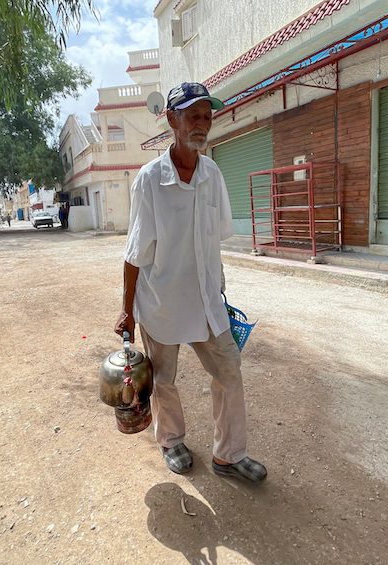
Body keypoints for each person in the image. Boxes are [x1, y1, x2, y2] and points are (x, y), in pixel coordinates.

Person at [114, 82, 266, 483]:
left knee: (229, 370)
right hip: (161, 303)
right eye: (194, 115)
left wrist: (219, 287)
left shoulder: (212, 174)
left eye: (207, 115)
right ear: (172, 120)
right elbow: (134, 255)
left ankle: (229, 455)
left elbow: (213, 240)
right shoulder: (149, 181)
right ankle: (172, 441)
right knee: (164, 379)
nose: (203, 123)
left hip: (205, 300)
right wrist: (126, 311)